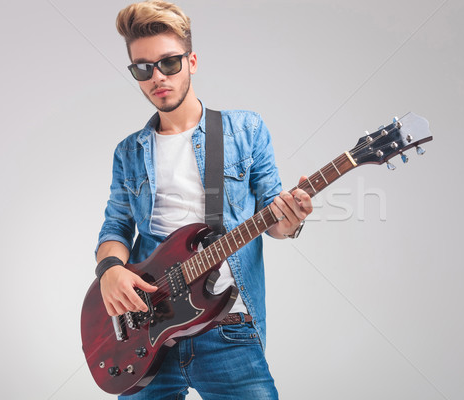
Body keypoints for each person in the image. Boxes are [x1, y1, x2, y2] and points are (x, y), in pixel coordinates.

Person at [95, 1, 312, 398]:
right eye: (143, 69)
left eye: (169, 63)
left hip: (228, 328)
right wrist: (109, 270)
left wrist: (290, 219)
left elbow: (276, 220)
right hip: (148, 332)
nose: (157, 77)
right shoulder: (128, 152)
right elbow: (116, 227)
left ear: (192, 61)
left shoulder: (245, 129)